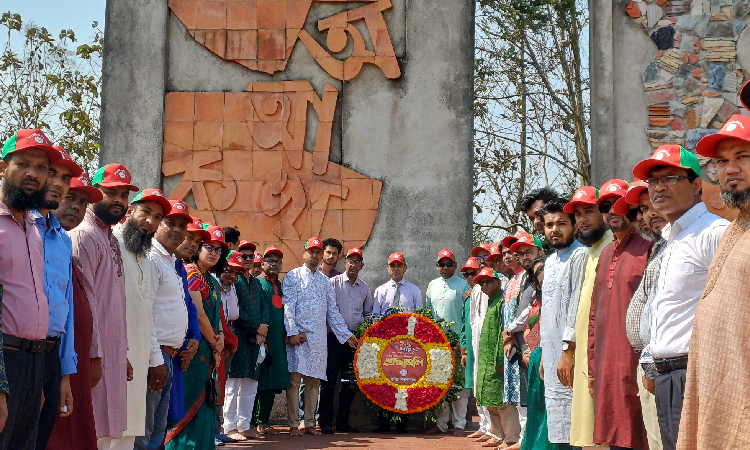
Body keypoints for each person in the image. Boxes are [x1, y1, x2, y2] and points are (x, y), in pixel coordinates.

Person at [632, 145, 728, 450]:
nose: (658, 188)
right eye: (652, 181)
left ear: (696, 183)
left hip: (698, 377)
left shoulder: (714, 232)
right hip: (667, 378)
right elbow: (664, 311)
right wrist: (651, 361)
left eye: (669, 178)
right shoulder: (671, 240)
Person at [676, 116, 750, 449]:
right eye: (722, 161)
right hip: (715, 397)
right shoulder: (735, 229)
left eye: (742, 157)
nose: (729, 169)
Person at [68, 163, 139, 447]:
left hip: (108, 353)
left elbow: (113, 303)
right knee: (89, 428)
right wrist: (94, 355)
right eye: (111, 193)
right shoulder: (84, 235)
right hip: (91, 355)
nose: (119, 201)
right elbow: (86, 303)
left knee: (103, 432)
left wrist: (121, 352)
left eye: (124, 195)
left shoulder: (109, 238)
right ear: (95, 193)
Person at [0, 129, 61, 450]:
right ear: (2, 168)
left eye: (41, 168)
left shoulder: (36, 228)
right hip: (5, 363)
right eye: (23, 164)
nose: (32, 174)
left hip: (33, 364)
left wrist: (35, 379)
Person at [587, 179, 652, 450]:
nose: (612, 211)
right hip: (605, 363)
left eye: (618, 203)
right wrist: (592, 368)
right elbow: (594, 315)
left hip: (636, 363)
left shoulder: (648, 249)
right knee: (614, 435)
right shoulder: (603, 255)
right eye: (605, 206)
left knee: (642, 433)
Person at [108, 188, 170, 450]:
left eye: (157, 217)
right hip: (113, 357)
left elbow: (147, 313)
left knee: (131, 431)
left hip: (139, 359)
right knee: (108, 432)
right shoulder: (111, 243)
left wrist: (155, 358)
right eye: (145, 212)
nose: (150, 222)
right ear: (130, 210)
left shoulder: (145, 256)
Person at [46, 173, 104, 450]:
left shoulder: (63, 241)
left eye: (83, 203)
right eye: (71, 198)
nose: (76, 207)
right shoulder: (34, 235)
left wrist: (68, 368)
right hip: (36, 358)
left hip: (67, 361)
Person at [282, 237, 358, 436]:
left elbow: (332, 312)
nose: (314, 256)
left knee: (314, 383)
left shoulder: (325, 282)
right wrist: (292, 333)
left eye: (317, 252)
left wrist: (346, 335)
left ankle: (309, 422)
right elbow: (288, 306)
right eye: (312, 252)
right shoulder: (293, 276)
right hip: (299, 338)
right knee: (294, 382)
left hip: (318, 340)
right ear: (304, 253)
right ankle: (293, 423)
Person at [135, 199, 195, 450]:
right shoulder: (150, 258)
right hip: (155, 357)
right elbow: (144, 313)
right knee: (143, 433)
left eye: (182, 226)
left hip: (170, 356)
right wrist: (154, 358)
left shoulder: (171, 261)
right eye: (170, 223)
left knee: (157, 434)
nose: (177, 230)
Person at [32, 146, 81, 450]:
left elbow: (67, 312)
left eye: (65, 177)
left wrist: (64, 374)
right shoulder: (16, 226)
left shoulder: (62, 238)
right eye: (51, 172)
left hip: (51, 358)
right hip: (19, 355)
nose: (59, 183)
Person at [165, 226, 228, 449]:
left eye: (219, 250)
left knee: (205, 408)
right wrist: (215, 344)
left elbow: (217, 315)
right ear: (199, 248)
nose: (213, 253)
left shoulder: (211, 279)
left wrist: (219, 340)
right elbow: (199, 314)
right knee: (187, 408)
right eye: (209, 247)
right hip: (193, 351)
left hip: (209, 350)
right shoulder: (191, 272)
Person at [561, 185, 613, 450]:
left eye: (588, 211)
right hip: (584, 354)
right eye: (578, 214)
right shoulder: (592, 250)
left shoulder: (613, 247)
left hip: (604, 356)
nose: (582, 220)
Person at [619, 181, 667, 450]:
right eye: (641, 210)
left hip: (668, 366)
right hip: (649, 362)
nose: (644, 215)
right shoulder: (659, 247)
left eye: (650, 206)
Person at [539, 197, 587, 448]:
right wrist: (546, 354)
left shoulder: (581, 255)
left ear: (575, 225)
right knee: (557, 423)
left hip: (572, 353)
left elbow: (576, 307)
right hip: (552, 352)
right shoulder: (550, 260)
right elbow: (548, 311)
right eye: (549, 225)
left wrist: (567, 352)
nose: (554, 230)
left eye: (561, 223)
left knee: (575, 423)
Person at [319, 247, 373, 434]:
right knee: (329, 382)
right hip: (334, 339)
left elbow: (368, 314)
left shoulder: (365, 288)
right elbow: (329, 313)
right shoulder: (332, 283)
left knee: (349, 383)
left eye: (357, 261)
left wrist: (360, 333)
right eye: (351, 260)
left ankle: (343, 422)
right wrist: (344, 335)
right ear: (345, 263)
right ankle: (325, 422)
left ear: (362, 265)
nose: (353, 264)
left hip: (355, 341)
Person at [223, 248, 269, 441]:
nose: (248, 259)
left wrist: (264, 327)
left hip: (256, 340)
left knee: (251, 384)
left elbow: (264, 307)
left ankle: (244, 425)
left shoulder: (257, 284)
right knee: (233, 384)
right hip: (239, 337)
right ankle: (229, 425)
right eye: (244, 256)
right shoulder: (235, 282)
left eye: (251, 256)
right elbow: (236, 313)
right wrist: (256, 327)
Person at [425, 249, 471, 436]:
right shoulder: (432, 285)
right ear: (437, 266)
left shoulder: (462, 286)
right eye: (441, 264)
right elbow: (428, 313)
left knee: (459, 385)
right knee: (439, 384)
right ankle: (441, 424)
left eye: (449, 264)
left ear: (455, 265)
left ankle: (459, 424)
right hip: (437, 344)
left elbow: (466, 316)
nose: (445, 267)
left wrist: (463, 341)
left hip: (458, 343)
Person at [474, 266, 521, 448]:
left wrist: (500, 359)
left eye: (488, 281)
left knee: (502, 402)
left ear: (498, 282)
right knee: (489, 400)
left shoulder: (501, 301)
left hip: (497, 360)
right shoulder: (491, 301)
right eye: (482, 283)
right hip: (486, 361)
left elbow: (503, 333)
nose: (484, 285)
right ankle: (496, 434)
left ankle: (510, 437)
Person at [166, 216, 205, 429]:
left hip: (178, 353)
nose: (192, 244)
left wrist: (195, 338)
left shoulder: (179, 266)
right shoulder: (156, 259)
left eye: (197, 242)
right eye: (189, 237)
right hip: (159, 353)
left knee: (167, 419)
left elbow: (189, 308)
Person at [251, 246, 290, 436]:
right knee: (257, 382)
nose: (274, 264)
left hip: (278, 342)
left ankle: (263, 421)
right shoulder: (257, 283)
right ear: (263, 264)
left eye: (278, 261)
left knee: (273, 383)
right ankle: (252, 422)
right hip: (260, 341)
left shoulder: (283, 286)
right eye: (270, 260)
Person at [520, 255, 556, 450]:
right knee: (536, 407)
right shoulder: (535, 303)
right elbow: (526, 327)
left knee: (549, 411)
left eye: (544, 269)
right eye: (536, 274)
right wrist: (527, 349)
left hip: (552, 356)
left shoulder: (556, 298)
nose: (541, 275)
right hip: (534, 359)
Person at [467, 243, 494, 442]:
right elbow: (471, 320)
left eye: (485, 255)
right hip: (477, 337)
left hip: (490, 336)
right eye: (479, 257)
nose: (481, 259)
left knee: (489, 380)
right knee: (478, 380)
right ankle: (483, 426)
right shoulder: (477, 286)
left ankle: (494, 428)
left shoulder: (494, 280)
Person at [459, 256, 479, 434]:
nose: (470, 277)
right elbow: (465, 324)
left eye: (473, 273)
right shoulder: (467, 296)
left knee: (482, 382)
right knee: (470, 382)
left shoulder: (489, 291)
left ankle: (488, 427)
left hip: (483, 343)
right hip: (470, 346)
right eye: (467, 274)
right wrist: (464, 349)